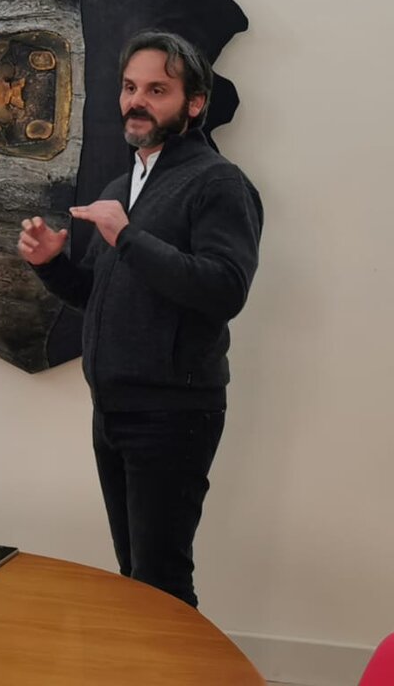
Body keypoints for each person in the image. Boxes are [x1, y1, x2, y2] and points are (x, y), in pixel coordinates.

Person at [17, 30, 262, 607]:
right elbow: (104, 296)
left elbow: (225, 289)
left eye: (157, 90)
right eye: (130, 88)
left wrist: (127, 236)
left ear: (194, 103)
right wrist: (52, 265)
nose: (136, 102)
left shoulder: (219, 183)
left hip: (173, 414)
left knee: (161, 585)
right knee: (135, 578)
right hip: (113, 410)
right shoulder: (122, 187)